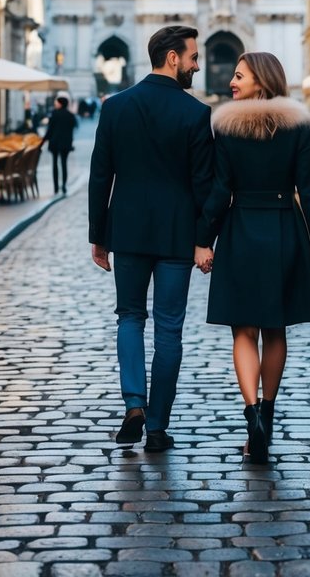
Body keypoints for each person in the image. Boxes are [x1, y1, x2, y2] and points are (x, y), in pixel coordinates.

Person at [194, 52, 310, 464]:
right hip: (286, 231)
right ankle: (266, 414)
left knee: (243, 332)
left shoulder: (228, 129)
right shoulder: (298, 126)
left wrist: (203, 240)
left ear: (261, 82)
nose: (232, 82)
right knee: (276, 330)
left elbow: (220, 191)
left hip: (240, 233)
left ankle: (253, 418)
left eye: (239, 76)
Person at [89, 25, 214, 453]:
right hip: (178, 237)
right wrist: (204, 239)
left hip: (126, 231)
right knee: (169, 330)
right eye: (193, 57)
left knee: (128, 317)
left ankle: (133, 405)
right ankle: (157, 426)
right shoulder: (196, 114)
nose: (198, 65)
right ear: (173, 58)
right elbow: (205, 185)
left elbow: (100, 177)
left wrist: (98, 236)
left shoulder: (116, 107)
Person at [41, 95, 77, 194]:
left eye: (56, 102)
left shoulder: (54, 114)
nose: (55, 104)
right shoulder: (70, 115)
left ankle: (56, 186)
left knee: (55, 164)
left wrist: (43, 140)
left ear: (60, 103)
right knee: (64, 164)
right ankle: (64, 185)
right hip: (65, 143)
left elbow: (50, 130)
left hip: (55, 142)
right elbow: (73, 128)